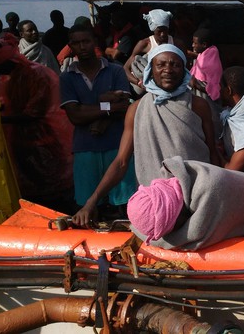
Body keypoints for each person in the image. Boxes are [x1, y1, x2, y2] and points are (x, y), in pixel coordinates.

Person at [72, 44, 217, 227]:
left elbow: (212, 154)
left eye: (175, 65)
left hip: (196, 197)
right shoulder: (137, 109)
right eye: (161, 64)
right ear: (151, 70)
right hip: (156, 204)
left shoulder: (197, 105)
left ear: (184, 69)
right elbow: (121, 162)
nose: (168, 70)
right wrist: (91, 202)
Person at [61, 24, 136, 223]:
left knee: (126, 206)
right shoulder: (67, 77)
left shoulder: (116, 71)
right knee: (90, 209)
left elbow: (124, 106)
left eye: (86, 41)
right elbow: (75, 115)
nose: (82, 47)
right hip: (85, 148)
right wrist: (106, 107)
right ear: (71, 46)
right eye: (76, 43)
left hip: (118, 147)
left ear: (94, 42)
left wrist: (93, 111)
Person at [0, 33, 74, 212]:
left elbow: (34, 112)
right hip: (21, 142)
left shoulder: (37, 75)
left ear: (9, 61)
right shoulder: (9, 77)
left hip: (46, 140)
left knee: (53, 188)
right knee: (30, 188)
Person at [127, 157, 244, 250]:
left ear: (179, 214)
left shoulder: (210, 189)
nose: (172, 233)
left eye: (172, 228)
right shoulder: (175, 183)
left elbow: (186, 240)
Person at [123, 9, 185, 95]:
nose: (162, 34)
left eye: (165, 30)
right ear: (153, 30)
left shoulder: (177, 44)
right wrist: (139, 83)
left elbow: (185, 68)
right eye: (159, 31)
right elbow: (125, 68)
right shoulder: (144, 44)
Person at [188, 28, 222, 102]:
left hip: (207, 101)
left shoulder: (210, 64)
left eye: (195, 43)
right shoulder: (206, 54)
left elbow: (215, 90)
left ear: (204, 45)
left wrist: (197, 85)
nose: (192, 45)